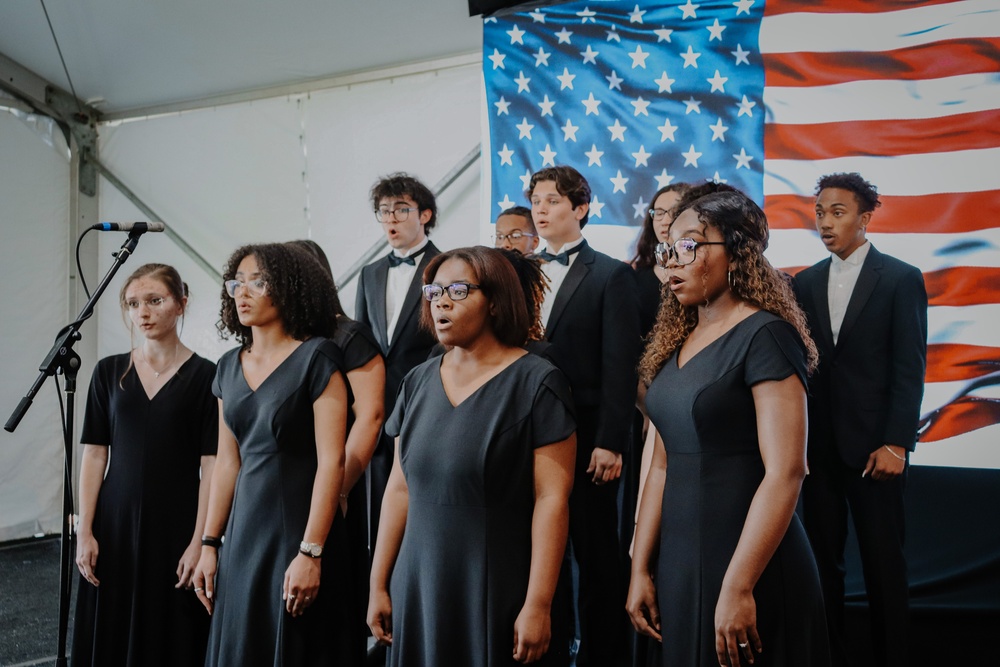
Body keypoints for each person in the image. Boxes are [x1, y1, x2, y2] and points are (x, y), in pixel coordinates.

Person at [627, 189, 830, 667]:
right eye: (668, 249)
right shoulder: (677, 339)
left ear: (737, 254)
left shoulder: (767, 336)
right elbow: (660, 464)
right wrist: (639, 566)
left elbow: (787, 472)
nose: (673, 261)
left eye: (691, 246)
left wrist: (739, 586)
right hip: (679, 558)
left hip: (748, 560)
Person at [367, 246, 576, 666]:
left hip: (495, 581)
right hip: (418, 580)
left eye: (459, 290)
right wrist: (378, 584)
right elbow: (399, 490)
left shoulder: (537, 382)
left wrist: (538, 603)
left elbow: (551, 501)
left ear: (496, 301)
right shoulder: (417, 381)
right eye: (435, 290)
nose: (441, 300)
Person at [193, 243, 356, 666]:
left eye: (257, 282)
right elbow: (228, 462)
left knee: (297, 644)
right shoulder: (227, 366)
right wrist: (210, 544)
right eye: (237, 282)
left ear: (287, 289)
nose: (242, 292)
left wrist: (311, 552)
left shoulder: (317, 357)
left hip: (299, 529)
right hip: (245, 532)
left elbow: (331, 463)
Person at [793, 173, 927, 667]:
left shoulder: (900, 277)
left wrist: (897, 443)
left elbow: (909, 366)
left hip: (876, 450)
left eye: (838, 212)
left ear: (865, 218)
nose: (825, 222)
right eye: (820, 212)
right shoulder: (803, 282)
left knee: (883, 566)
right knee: (823, 567)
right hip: (820, 451)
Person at [72, 263, 217, 667]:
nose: (143, 313)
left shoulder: (208, 375)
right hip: (114, 524)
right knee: (112, 631)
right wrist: (85, 530)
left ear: (181, 304)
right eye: (133, 304)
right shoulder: (108, 371)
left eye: (155, 300)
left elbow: (213, 466)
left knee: (170, 631)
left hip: (177, 524)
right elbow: (95, 454)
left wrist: (200, 541)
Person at [528, 165, 642, 666]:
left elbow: (621, 365)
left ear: (580, 208)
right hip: (527, 432)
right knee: (535, 554)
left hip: (588, 432)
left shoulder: (611, 274)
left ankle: (604, 657)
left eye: (551, 200)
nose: (540, 209)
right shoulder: (515, 270)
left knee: (595, 556)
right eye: (535, 200)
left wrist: (611, 441)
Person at [288, 238, 386, 663]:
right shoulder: (284, 337)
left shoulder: (349, 335)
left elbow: (371, 417)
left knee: (328, 605)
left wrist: (341, 488)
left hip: (335, 483)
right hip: (286, 489)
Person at [354, 173, 442, 557]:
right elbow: (361, 345)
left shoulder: (446, 267)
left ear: (424, 215)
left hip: (427, 402)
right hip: (376, 409)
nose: (391, 218)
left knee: (421, 506)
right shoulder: (369, 273)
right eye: (384, 211)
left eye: (401, 209)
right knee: (377, 512)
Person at [631, 183, 690, 336]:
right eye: (658, 213)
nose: (665, 221)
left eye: (674, 211)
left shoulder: (703, 273)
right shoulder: (632, 274)